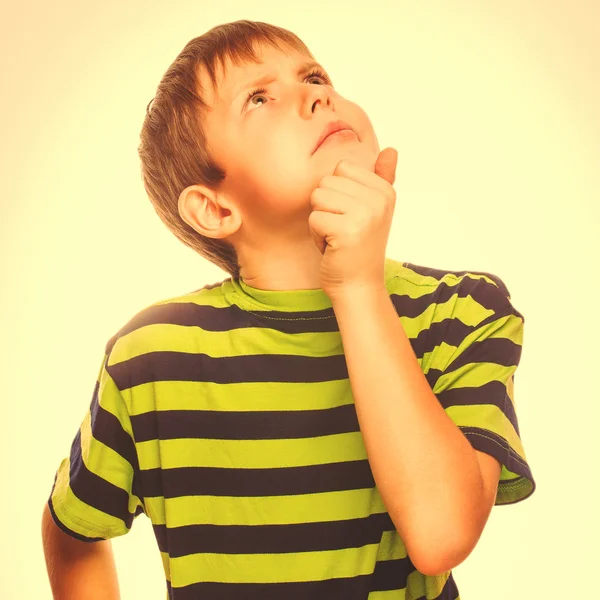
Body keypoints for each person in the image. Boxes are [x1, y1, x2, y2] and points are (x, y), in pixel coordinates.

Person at [41, 19, 536, 600]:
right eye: (258, 97)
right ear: (215, 209)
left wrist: (357, 287)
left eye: (314, 75)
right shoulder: (150, 357)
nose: (315, 94)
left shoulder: (461, 312)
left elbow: (440, 533)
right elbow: (72, 531)